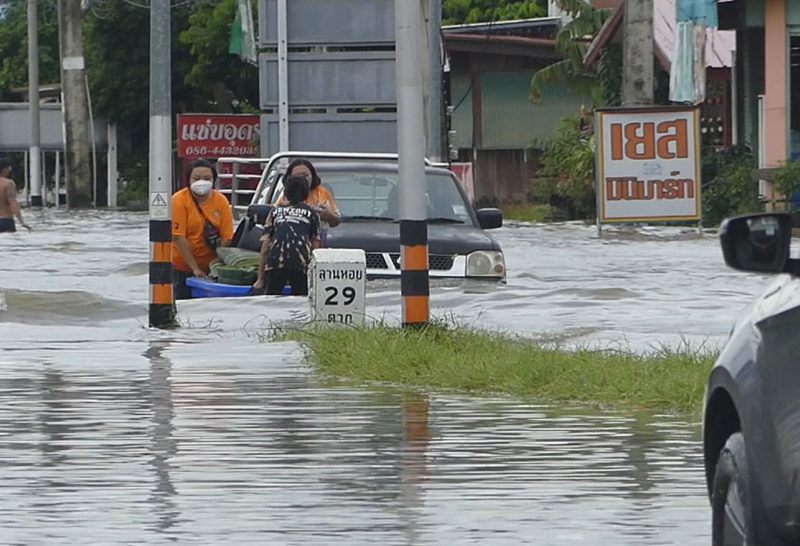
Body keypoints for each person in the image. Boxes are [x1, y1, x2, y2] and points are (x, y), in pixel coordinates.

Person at [171, 158, 234, 300]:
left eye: (207, 178)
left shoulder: (221, 200)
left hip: (211, 266)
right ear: (189, 180)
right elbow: (178, 237)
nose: (201, 182)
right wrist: (195, 268)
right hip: (182, 266)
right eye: (197, 178)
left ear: (213, 180)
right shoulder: (179, 200)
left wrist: (216, 265)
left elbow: (227, 237)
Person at [254, 175, 321, 296]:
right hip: (301, 264)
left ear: (285, 193)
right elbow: (315, 248)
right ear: (307, 194)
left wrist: (260, 279)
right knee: (301, 303)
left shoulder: (275, 211)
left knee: (270, 299)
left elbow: (265, 248)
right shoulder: (312, 214)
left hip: (275, 262)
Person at [276, 158, 339, 245]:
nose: (302, 179)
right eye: (297, 176)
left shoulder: (322, 194)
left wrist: (327, 215)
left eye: (305, 175)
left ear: (312, 176)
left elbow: (336, 221)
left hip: (319, 240)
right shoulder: (285, 196)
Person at [0, 159, 31, 233]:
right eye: (9, 169)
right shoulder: (8, 183)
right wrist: (22, 221)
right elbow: (13, 203)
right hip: (5, 221)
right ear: (4, 170)